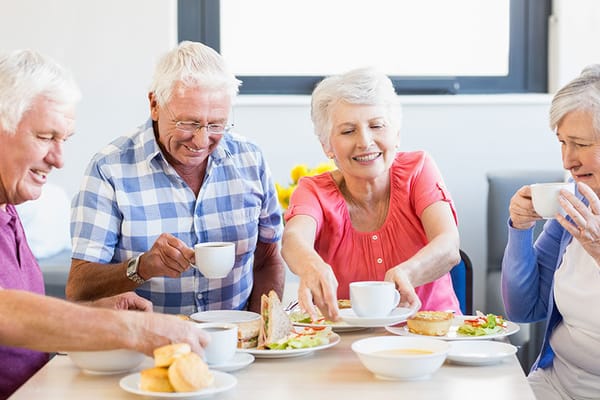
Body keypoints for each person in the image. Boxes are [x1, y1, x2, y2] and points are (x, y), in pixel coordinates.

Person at [0, 49, 209, 399]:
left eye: (64, 139)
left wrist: (90, 314)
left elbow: (21, 316)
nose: (59, 159)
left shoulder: (9, 206)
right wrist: (131, 330)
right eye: (44, 137)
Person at [66, 41, 284, 315]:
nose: (202, 140)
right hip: (147, 345)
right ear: (155, 104)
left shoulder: (250, 159)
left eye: (216, 124)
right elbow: (79, 286)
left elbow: (267, 260)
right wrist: (142, 266)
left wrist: (259, 329)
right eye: (188, 123)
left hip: (237, 342)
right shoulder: (110, 168)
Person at [281, 67, 461, 321]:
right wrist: (311, 265)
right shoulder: (314, 190)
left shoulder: (418, 169)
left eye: (376, 125)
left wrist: (408, 272)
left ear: (396, 134)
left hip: (433, 333)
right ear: (327, 146)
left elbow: (449, 245)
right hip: (347, 342)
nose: (365, 141)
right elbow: (293, 238)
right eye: (347, 131)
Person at [502, 65, 600, 399]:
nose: (568, 160)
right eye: (562, 142)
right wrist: (520, 229)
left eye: (580, 144)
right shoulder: (575, 204)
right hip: (553, 383)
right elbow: (523, 308)